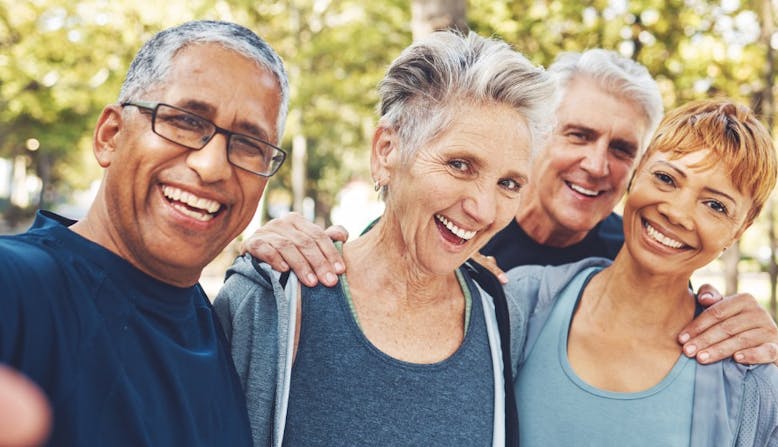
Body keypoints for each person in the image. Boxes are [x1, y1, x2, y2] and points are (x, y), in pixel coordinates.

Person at [243, 49, 778, 367]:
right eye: (578, 134)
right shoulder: (445, 222)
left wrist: (754, 330)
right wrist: (285, 241)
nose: (596, 165)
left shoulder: (633, 257)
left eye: (621, 150)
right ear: (539, 137)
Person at [214, 30, 557, 446]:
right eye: (460, 165)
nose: (483, 209)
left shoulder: (502, 316)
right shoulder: (271, 300)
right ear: (386, 151)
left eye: (508, 183)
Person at [0, 20, 289, 445]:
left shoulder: (231, 328)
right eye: (186, 121)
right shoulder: (19, 285)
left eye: (249, 145)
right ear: (110, 136)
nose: (211, 166)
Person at [508, 98, 778, 445]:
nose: (677, 213)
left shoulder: (748, 381)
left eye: (715, 205)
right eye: (666, 178)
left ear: (739, 230)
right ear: (636, 175)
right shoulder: (520, 303)